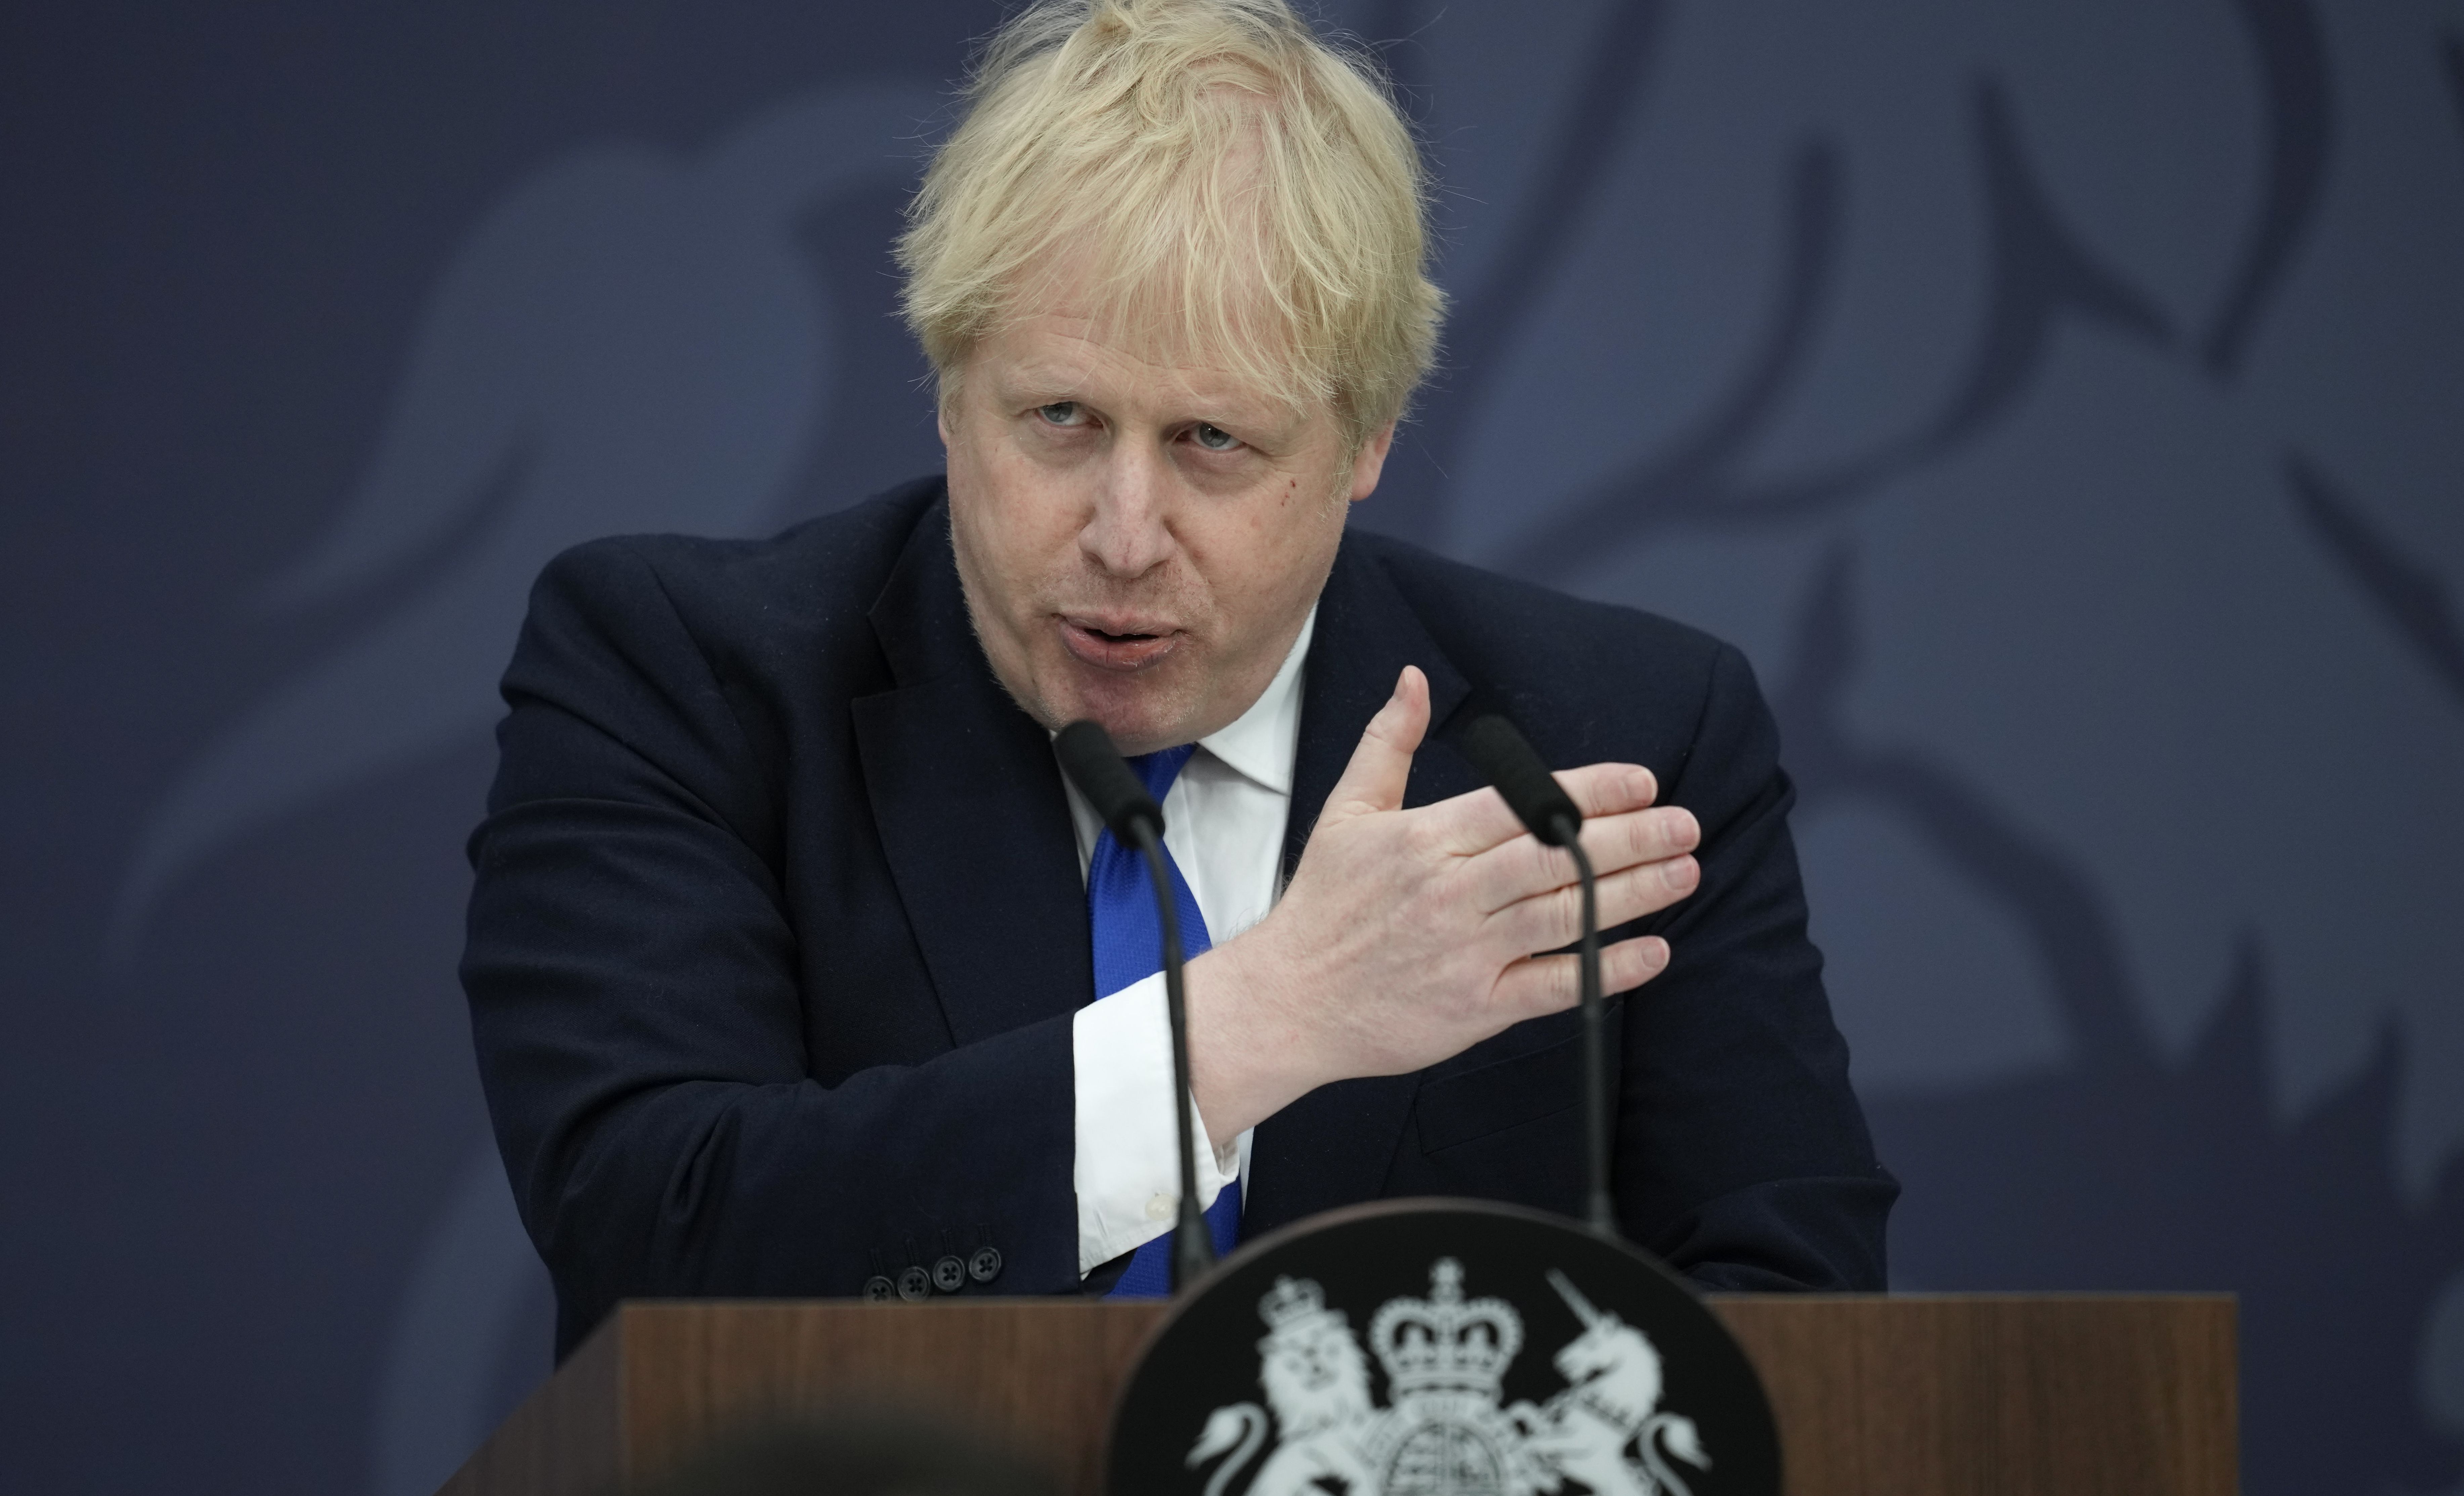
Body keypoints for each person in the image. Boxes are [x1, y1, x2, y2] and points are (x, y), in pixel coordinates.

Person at [464, 0, 1895, 1357]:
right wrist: (1259, 1021)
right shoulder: (683, 676)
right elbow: (648, 1230)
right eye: (1061, 420)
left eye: (1213, 441)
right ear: (951, 387)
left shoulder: (1614, 744)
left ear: (1364, 442)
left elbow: (1790, 1309)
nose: (1124, 535)